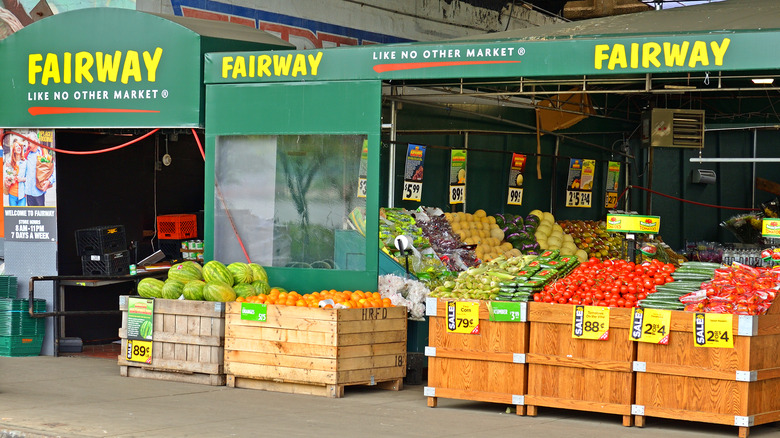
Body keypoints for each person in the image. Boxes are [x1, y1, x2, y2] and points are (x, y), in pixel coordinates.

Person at [23, 131, 54, 206]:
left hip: (39, 192)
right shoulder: (27, 155)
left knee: (41, 215)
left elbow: (53, 170)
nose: (28, 145)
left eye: (29, 142)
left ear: (35, 142)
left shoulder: (44, 153)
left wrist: (49, 181)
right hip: (29, 193)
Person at [5, 137, 27, 206]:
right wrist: (10, 178)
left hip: (22, 195)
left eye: (19, 146)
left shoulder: (25, 162)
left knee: (21, 216)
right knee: (13, 216)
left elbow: (29, 178)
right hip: (12, 194)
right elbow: (7, 175)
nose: (19, 147)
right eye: (16, 146)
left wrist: (22, 179)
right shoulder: (10, 162)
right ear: (14, 150)